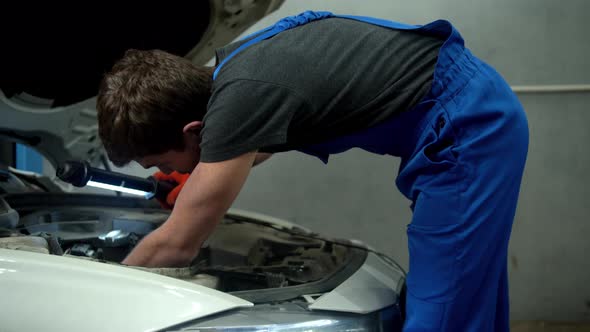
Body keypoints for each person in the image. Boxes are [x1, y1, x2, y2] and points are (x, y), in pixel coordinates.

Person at [96, 10, 529, 332]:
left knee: (441, 314)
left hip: (468, 125)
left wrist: (104, 301)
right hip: (472, 108)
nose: (171, 173)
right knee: (469, 298)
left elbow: (176, 246)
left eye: (164, 165)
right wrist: (185, 181)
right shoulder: (232, 77)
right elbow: (251, 149)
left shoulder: (240, 100)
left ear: (193, 132)